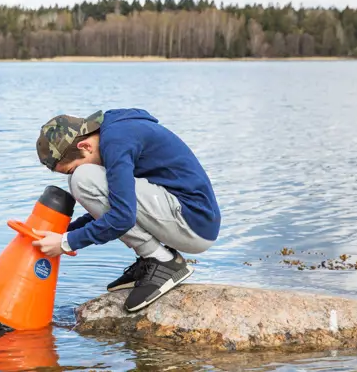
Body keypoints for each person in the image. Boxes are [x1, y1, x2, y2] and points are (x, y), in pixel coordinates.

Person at [32, 108, 221, 312]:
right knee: (83, 178)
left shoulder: (116, 141)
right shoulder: (112, 132)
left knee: (83, 179)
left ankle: (162, 261)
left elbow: (123, 216)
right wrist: (64, 232)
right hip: (184, 215)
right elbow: (116, 201)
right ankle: (153, 259)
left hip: (192, 223)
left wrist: (66, 243)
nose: (73, 172)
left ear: (85, 146)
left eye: (72, 166)